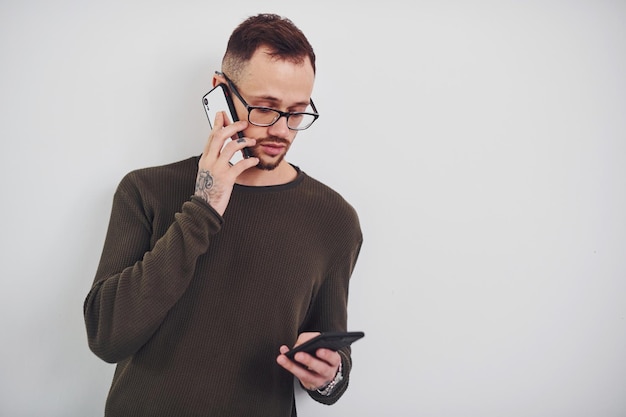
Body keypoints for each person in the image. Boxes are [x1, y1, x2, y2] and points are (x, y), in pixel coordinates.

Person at [83, 13, 363, 417]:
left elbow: (329, 359)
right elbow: (106, 337)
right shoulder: (146, 190)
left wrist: (329, 375)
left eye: (297, 112)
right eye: (265, 108)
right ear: (220, 93)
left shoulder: (333, 219)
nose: (282, 130)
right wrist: (204, 205)